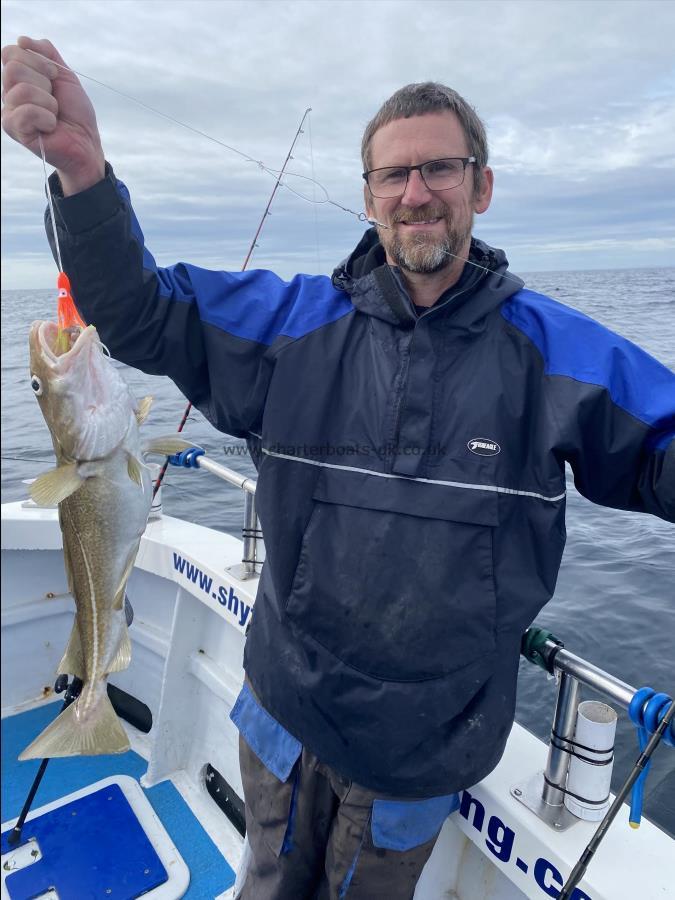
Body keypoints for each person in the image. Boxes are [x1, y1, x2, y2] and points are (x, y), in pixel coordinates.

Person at [2, 35, 674, 900]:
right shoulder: (287, 328)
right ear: (367, 197)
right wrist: (82, 175)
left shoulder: (558, 356)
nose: (415, 192)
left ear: (482, 185)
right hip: (281, 711)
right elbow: (137, 311)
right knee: (264, 877)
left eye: (439, 168)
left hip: (422, 748)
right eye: (393, 176)